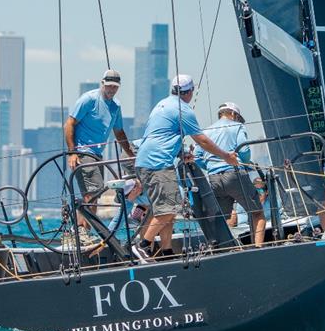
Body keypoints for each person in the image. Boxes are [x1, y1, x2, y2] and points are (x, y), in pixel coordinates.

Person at [132, 74, 239, 261]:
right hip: (158, 164)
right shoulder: (183, 110)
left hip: (145, 161)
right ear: (189, 92)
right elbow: (202, 140)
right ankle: (143, 246)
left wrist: (180, 153)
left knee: (167, 211)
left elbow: (162, 135)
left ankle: (166, 252)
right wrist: (226, 156)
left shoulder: (162, 105)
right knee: (167, 211)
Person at [64, 70, 136, 224]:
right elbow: (69, 124)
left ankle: (84, 233)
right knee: (92, 195)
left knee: (93, 195)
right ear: (102, 83)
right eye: (109, 86)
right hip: (83, 153)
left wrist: (130, 153)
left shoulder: (116, 106)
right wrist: (72, 152)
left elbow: (119, 131)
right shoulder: (89, 99)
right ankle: (82, 232)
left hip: (97, 156)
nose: (111, 89)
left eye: (115, 87)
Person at [195, 102, 265, 247]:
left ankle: (227, 249)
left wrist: (210, 166)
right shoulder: (237, 126)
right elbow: (244, 152)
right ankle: (257, 249)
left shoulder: (206, 131)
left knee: (223, 217)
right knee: (257, 213)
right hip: (234, 174)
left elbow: (197, 157)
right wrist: (244, 162)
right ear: (233, 114)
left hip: (214, 178)